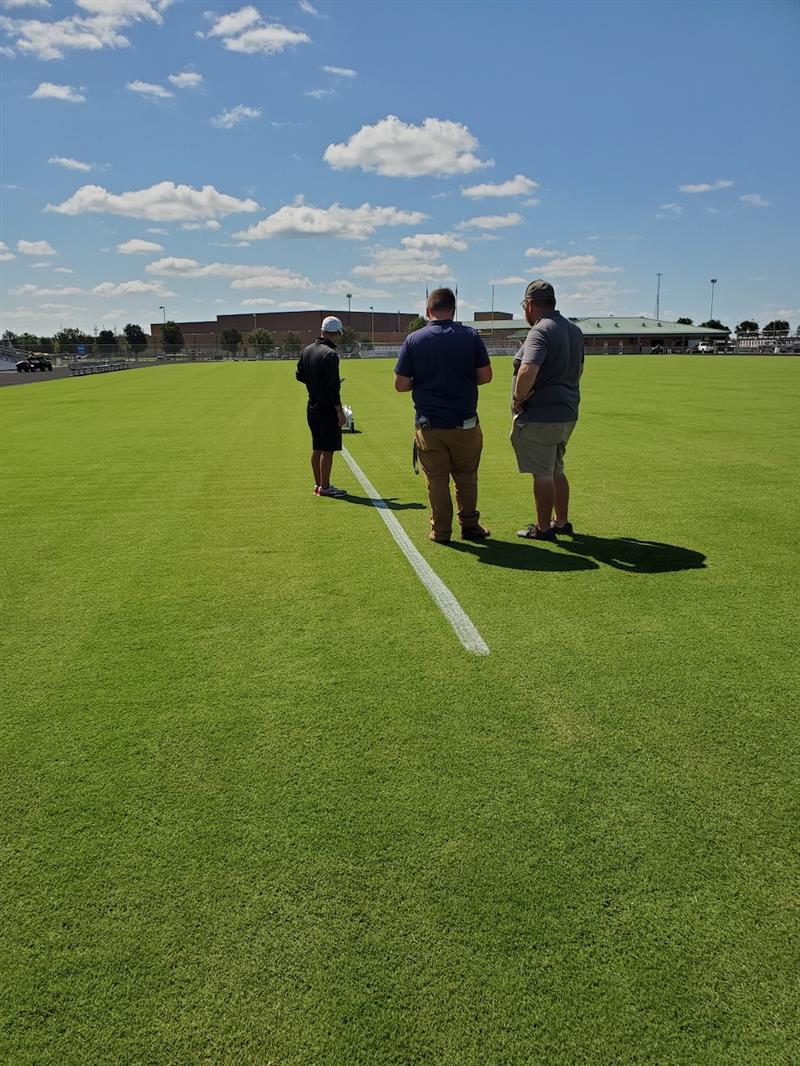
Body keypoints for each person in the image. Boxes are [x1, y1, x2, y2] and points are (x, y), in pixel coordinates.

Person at [394, 287, 493, 543]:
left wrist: (425, 382)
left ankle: (441, 530)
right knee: (467, 478)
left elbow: (400, 384)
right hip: (466, 423)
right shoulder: (470, 336)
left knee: (437, 481)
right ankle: (470, 526)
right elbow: (485, 376)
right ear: (454, 310)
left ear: (428, 311)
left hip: (430, 425)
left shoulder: (415, 340)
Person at [510, 279, 585, 540]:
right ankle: (561, 522)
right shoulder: (574, 330)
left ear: (530, 304)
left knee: (542, 473)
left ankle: (543, 529)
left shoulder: (540, 331)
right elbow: (579, 370)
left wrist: (519, 398)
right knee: (556, 469)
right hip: (567, 412)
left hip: (541, 415)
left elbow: (528, 367)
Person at [296, 316, 348, 497]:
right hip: (327, 408)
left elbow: (300, 375)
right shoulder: (331, 354)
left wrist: (315, 384)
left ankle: (319, 485)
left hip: (312, 405)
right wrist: (340, 412)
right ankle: (325, 487)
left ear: (322, 331)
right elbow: (333, 389)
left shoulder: (307, 350)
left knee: (317, 447)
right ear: (337, 333)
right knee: (328, 449)